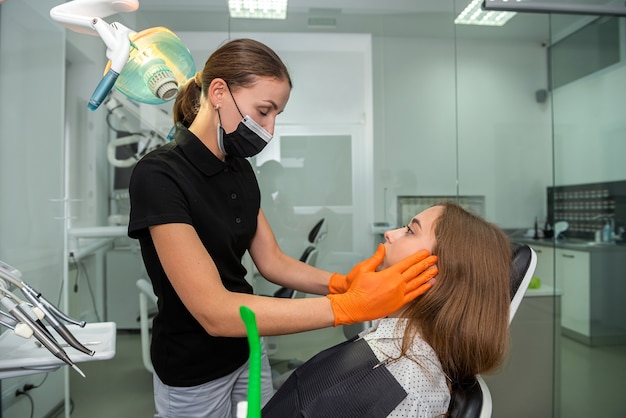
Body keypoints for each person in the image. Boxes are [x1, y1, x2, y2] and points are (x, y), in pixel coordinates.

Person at [127, 38, 438, 418]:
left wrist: (342, 282)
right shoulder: (160, 174)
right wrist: (347, 306)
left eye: (276, 115)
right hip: (193, 364)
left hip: (247, 350)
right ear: (219, 92)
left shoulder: (239, 168)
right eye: (264, 111)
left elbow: (272, 261)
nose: (269, 129)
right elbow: (214, 311)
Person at [263, 201, 512, 418]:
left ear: (437, 273)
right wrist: (345, 288)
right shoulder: (388, 335)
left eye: (409, 231)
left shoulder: (409, 388)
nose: (390, 234)